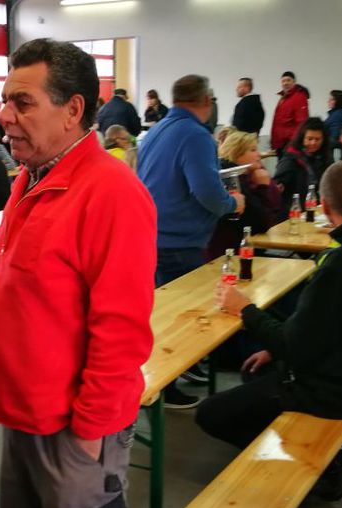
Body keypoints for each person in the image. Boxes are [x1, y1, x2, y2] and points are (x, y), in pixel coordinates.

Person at [0, 38, 155, 508]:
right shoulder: (31, 179)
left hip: (76, 430)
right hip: (22, 415)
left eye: (22, 103)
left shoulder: (110, 193)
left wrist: (89, 434)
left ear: (73, 109)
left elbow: (121, 330)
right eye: (5, 100)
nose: (5, 116)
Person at [198, 161, 342, 501]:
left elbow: (296, 347)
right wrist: (274, 346)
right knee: (255, 370)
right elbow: (327, 327)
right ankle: (326, 448)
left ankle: (315, 465)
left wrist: (244, 309)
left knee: (210, 413)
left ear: (325, 207)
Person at [138, 74, 245, 409]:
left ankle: (183, 368)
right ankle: (165, 386)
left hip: (152, 236)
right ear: (207, 101)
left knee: (163, 313)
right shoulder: (196, 135)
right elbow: (206, 191)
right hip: (178, 241)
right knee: (178, 319)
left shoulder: (155, 131)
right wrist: (232, 204)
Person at [206, 130, 281, 260]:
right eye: (253, 150)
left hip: (230, 250)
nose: (259, 154)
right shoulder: (233, 180)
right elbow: (261, 224)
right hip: (227, 256)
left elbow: (277, 207)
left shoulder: (246, 176)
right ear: (236, 152)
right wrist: (263, 187)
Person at [273, 117, 331, 217]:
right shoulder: (290, 160)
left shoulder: (323, 158)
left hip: (314, 210)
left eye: (317, 139)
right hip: (293, 213)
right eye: (309, 139)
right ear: (302, 138)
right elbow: (277, 185)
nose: (313, 143)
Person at [270, 71, 310, 156]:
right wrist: (274, 142)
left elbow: (302, 121)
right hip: (280, 143)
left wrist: (295, 142)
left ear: (294, 82)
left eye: (288, 80)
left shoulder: (299, 97)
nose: (285, 83)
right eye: (283, 81)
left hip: (290, 143)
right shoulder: (283, 98)